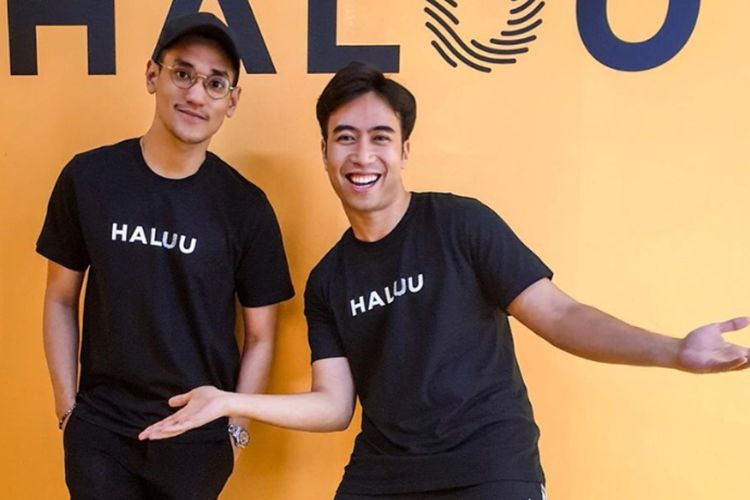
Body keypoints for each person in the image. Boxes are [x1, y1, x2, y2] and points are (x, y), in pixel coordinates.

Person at [139, 62, 749, 499]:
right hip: (384, 476)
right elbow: (333, 405)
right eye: (345, 138)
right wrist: (229, 401)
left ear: (404, 151)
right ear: (324, 151)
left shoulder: (462, 225)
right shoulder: (328, 281)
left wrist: (674, 350)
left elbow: (561, 315)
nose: (362, 156)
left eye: (381, 138)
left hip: (489, 470)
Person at [37, 12, 294, 499]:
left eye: (215, 83)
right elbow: (59, 298)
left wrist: (234, 432)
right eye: (183, 73)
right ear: (152, 75)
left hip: (197, 439)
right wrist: (68, 411)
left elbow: (262, 335)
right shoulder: (89, 178)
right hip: (101, 435)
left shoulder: (246, 207)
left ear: (232, 101)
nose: (196, 95)